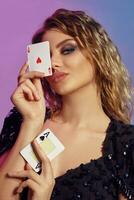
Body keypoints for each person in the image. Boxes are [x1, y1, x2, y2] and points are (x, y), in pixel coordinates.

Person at [0, 8, 134, 200]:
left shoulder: (126, 146)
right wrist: (32, 122)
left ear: (98, 54)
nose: (53, 62)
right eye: (46, 56)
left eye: (68, 50)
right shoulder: (22, 123)